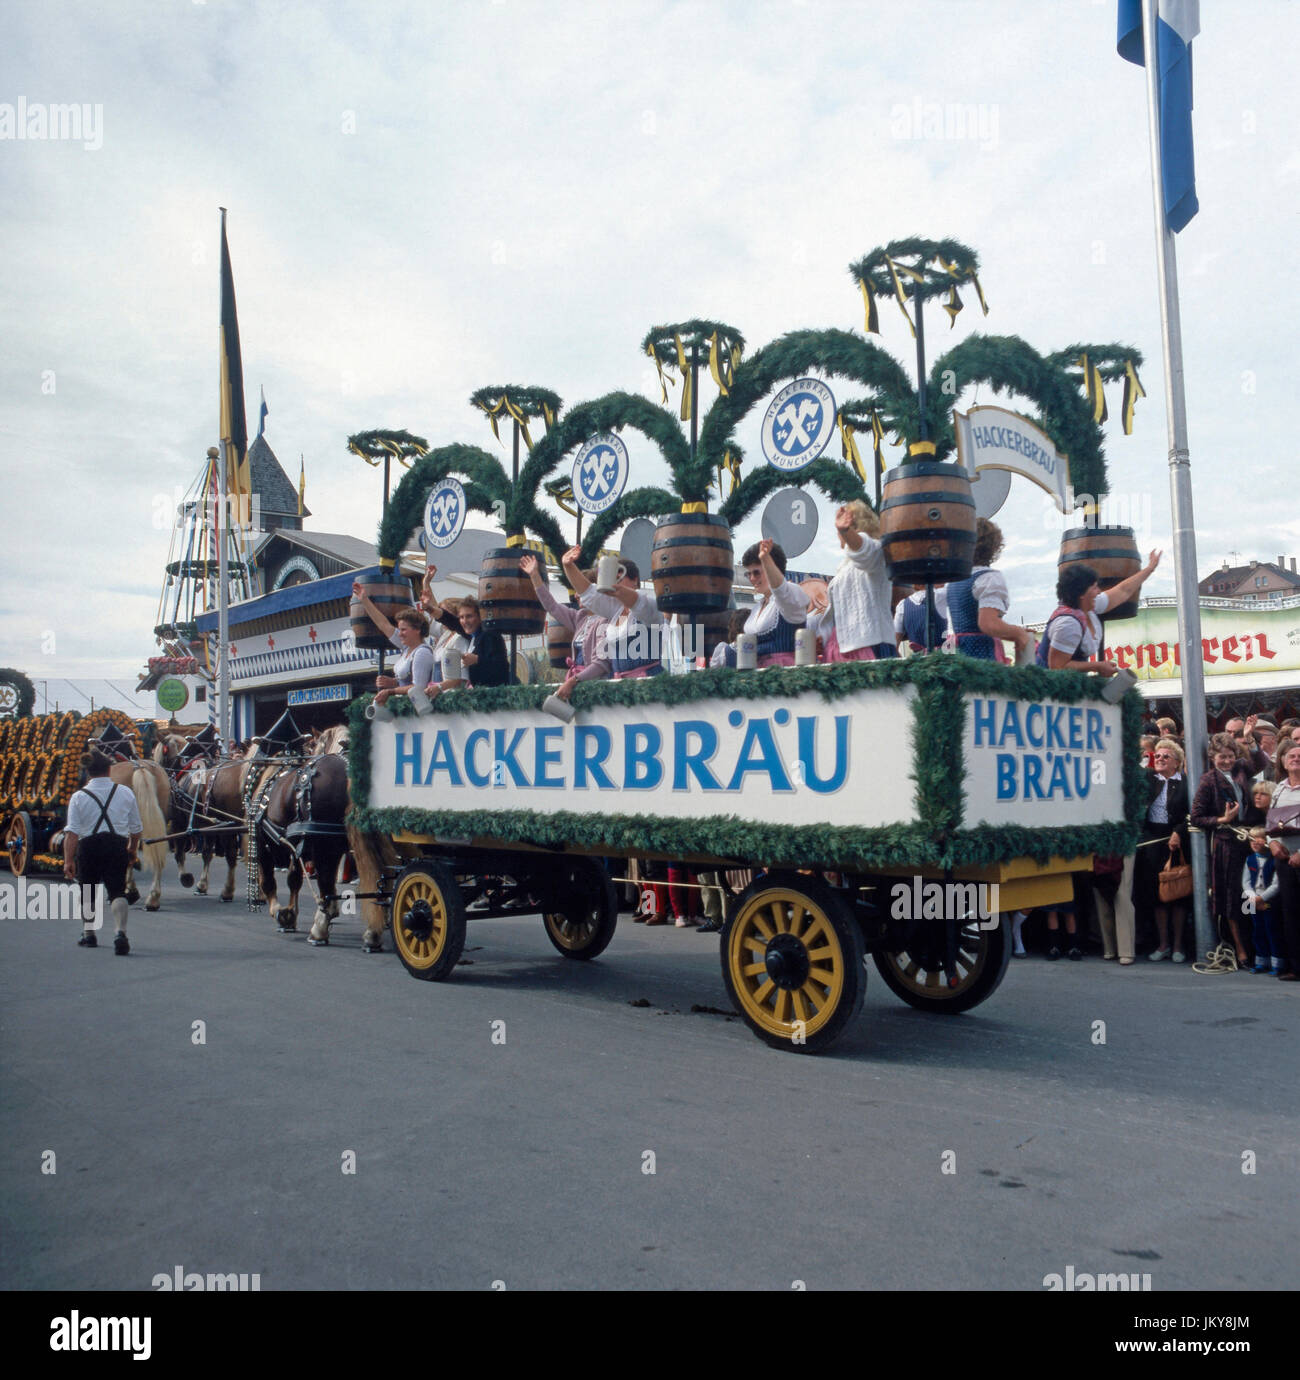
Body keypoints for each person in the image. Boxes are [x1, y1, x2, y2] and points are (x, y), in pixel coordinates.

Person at [1190, 733, 1261, 965]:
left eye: (1230, 756)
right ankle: (1240, 949)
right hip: (1226, 843)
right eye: (1222, 757)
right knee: (1231, 897)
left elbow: (1261, 763)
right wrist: (1222, 819)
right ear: (1213, 757)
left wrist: (1251, 742)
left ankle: (1256, 945)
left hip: (1248, 841)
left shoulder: (1240, 770)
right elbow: (1197, 817)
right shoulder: (1208, 780)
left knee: (1250, 892)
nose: (1227, 761)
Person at [63, 747, 143, 955]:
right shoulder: (125, 792)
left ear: (88, 772)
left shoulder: (78, 797)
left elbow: (72, 834)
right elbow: (136, 829)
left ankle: (89, 934)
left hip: (88, 846)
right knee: (117, 891)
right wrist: (132, 850)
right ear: (109, 770)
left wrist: (68, 861)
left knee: (87, 891)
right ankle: (120, 933)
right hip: (116, 845)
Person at [1037, 550, 1162, 672]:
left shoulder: (1088, 606)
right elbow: (1057, 667)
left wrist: (1150, 568)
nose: (1099, 592)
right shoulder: (1068, 624)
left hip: (1070, 684)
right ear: (1082, 593)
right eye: (1095, 587)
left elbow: (1123, 591)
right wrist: (1097, 666)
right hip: (1049, 688)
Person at [804, 502, 896, 661]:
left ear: (854, 526)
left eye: (841, 528)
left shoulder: (877, 552)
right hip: (839, 648)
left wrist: (845, 531)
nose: (837, 534)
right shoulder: (844, 567)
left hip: (867, 645)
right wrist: (823, 638)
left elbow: (865, 552)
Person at [523, 549, 612, 703]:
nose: (576, 595)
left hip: (597, 690)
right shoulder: (580, 617)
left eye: (579, 590)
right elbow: (551, 606)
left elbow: (601, 664)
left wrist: (573, 681)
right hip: (578, 686)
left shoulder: (606, 619)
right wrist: (534, 576)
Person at [945, 518, 1034, 662]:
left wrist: (1009, 632)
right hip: (982, 655)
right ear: (993, 546)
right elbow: (988, 624)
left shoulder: (955, 582)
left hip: (959, 654)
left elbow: (970, 627)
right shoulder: (989, 579)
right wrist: (1018, 633)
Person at [1134, 738, 1190, 961]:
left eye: (1166, 756)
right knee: (1156, 895)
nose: (1160, 759)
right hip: (1151, 842)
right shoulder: (1149, 778)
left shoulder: (1186, 782)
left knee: (1177, 893)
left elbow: (1191, 812)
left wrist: (1178, 831)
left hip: (1175, 841)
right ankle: (1162, 943)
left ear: (1177, 762)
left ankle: (1178, 946)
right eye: (1157, 756)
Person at [571, 555, 666, 679]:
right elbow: (590, 594)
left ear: (635, 580)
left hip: (648, 681)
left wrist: (620, 592)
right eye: (613, 578)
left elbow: (639, 604)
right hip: (621, 684)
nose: (616, 583)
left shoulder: (649, 606)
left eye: (619, 578)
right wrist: (568, 565)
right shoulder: (617, 611)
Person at [351, 582, 434, 706]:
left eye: (403, 630)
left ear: (417, 629)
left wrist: (391, 691)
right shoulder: (406, 648)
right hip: (404, 706)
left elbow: (419, 687)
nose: (399, 634)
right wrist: (364, 600)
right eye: (399, 630)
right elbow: (383, 624)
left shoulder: (422, 652)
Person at [742, 539, 809, 667]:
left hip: (784, 672)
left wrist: (766, 559)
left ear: (773, 569)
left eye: (756, 572)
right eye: (748, 574)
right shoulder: (757, 607)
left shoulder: (791, 594)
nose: (752, 578)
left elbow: (781, 590)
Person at [1265, 739, 1300, 982]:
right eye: (1291, 756)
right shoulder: (1278, 789)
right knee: (1290, 913)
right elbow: (1270, 825)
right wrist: (1273, 844)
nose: (1296, 759)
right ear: (1283, 762)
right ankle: (1296, 966)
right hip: (1285, 860)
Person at [427, 595, 511, 690]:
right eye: (461, 617)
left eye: (469, 616)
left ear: (480, 617)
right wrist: (429, 608)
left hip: (496, 696)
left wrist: (477, 660)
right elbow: (450, 620)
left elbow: (501, 666)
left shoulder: (489, 635)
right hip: (481, 694)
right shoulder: (473, 635)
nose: (464, 621)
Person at [1242, 828, 1282, 974]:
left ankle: (1277, 962)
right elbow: (1245, 882)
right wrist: (1252, 897)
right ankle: (1261, 961)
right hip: (1252, 900)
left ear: (1267, 842)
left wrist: (1262, 898)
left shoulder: (1274, 860)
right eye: (1251, 838)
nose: (1254, 842)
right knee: (1257, 930)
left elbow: (1276, 884)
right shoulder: (1250, 859)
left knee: (1272, 930)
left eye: (1258, 838)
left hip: (1269, 899)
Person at [894, 584, 949, 655]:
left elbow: (894, 646)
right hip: (948, 659)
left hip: (919, 663)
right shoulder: (944, 594)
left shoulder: (903, 606)